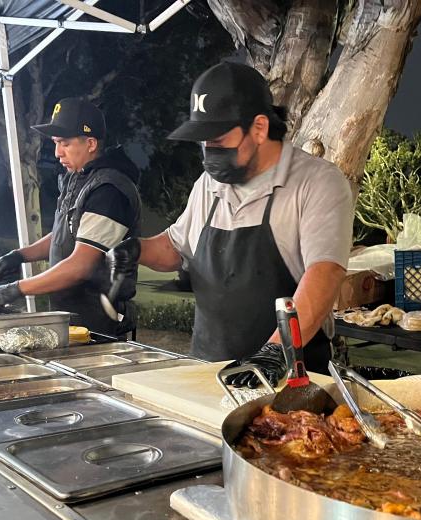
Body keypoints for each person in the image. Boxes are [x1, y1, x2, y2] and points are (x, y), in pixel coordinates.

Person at [138, 62, 354, 386]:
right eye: (203, 141)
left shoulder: (317, 182)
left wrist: (276, 352)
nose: (209, 151)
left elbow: (325, 273)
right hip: (208, 373)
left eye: (218, 139)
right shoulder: (207, 184)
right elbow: (175, 248)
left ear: (259, 128)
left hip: (291, 382)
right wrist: (131, 249)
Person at [0, 97, 141, 337]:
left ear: (90, 143)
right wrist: (18, 256)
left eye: (64, 143)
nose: (57, 153)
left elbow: (81, 265)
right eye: (56, 143)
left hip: (99, 324)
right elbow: (63, 235)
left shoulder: (109, 191)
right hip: (70, 316)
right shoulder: (78, 178)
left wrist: (16, 289)